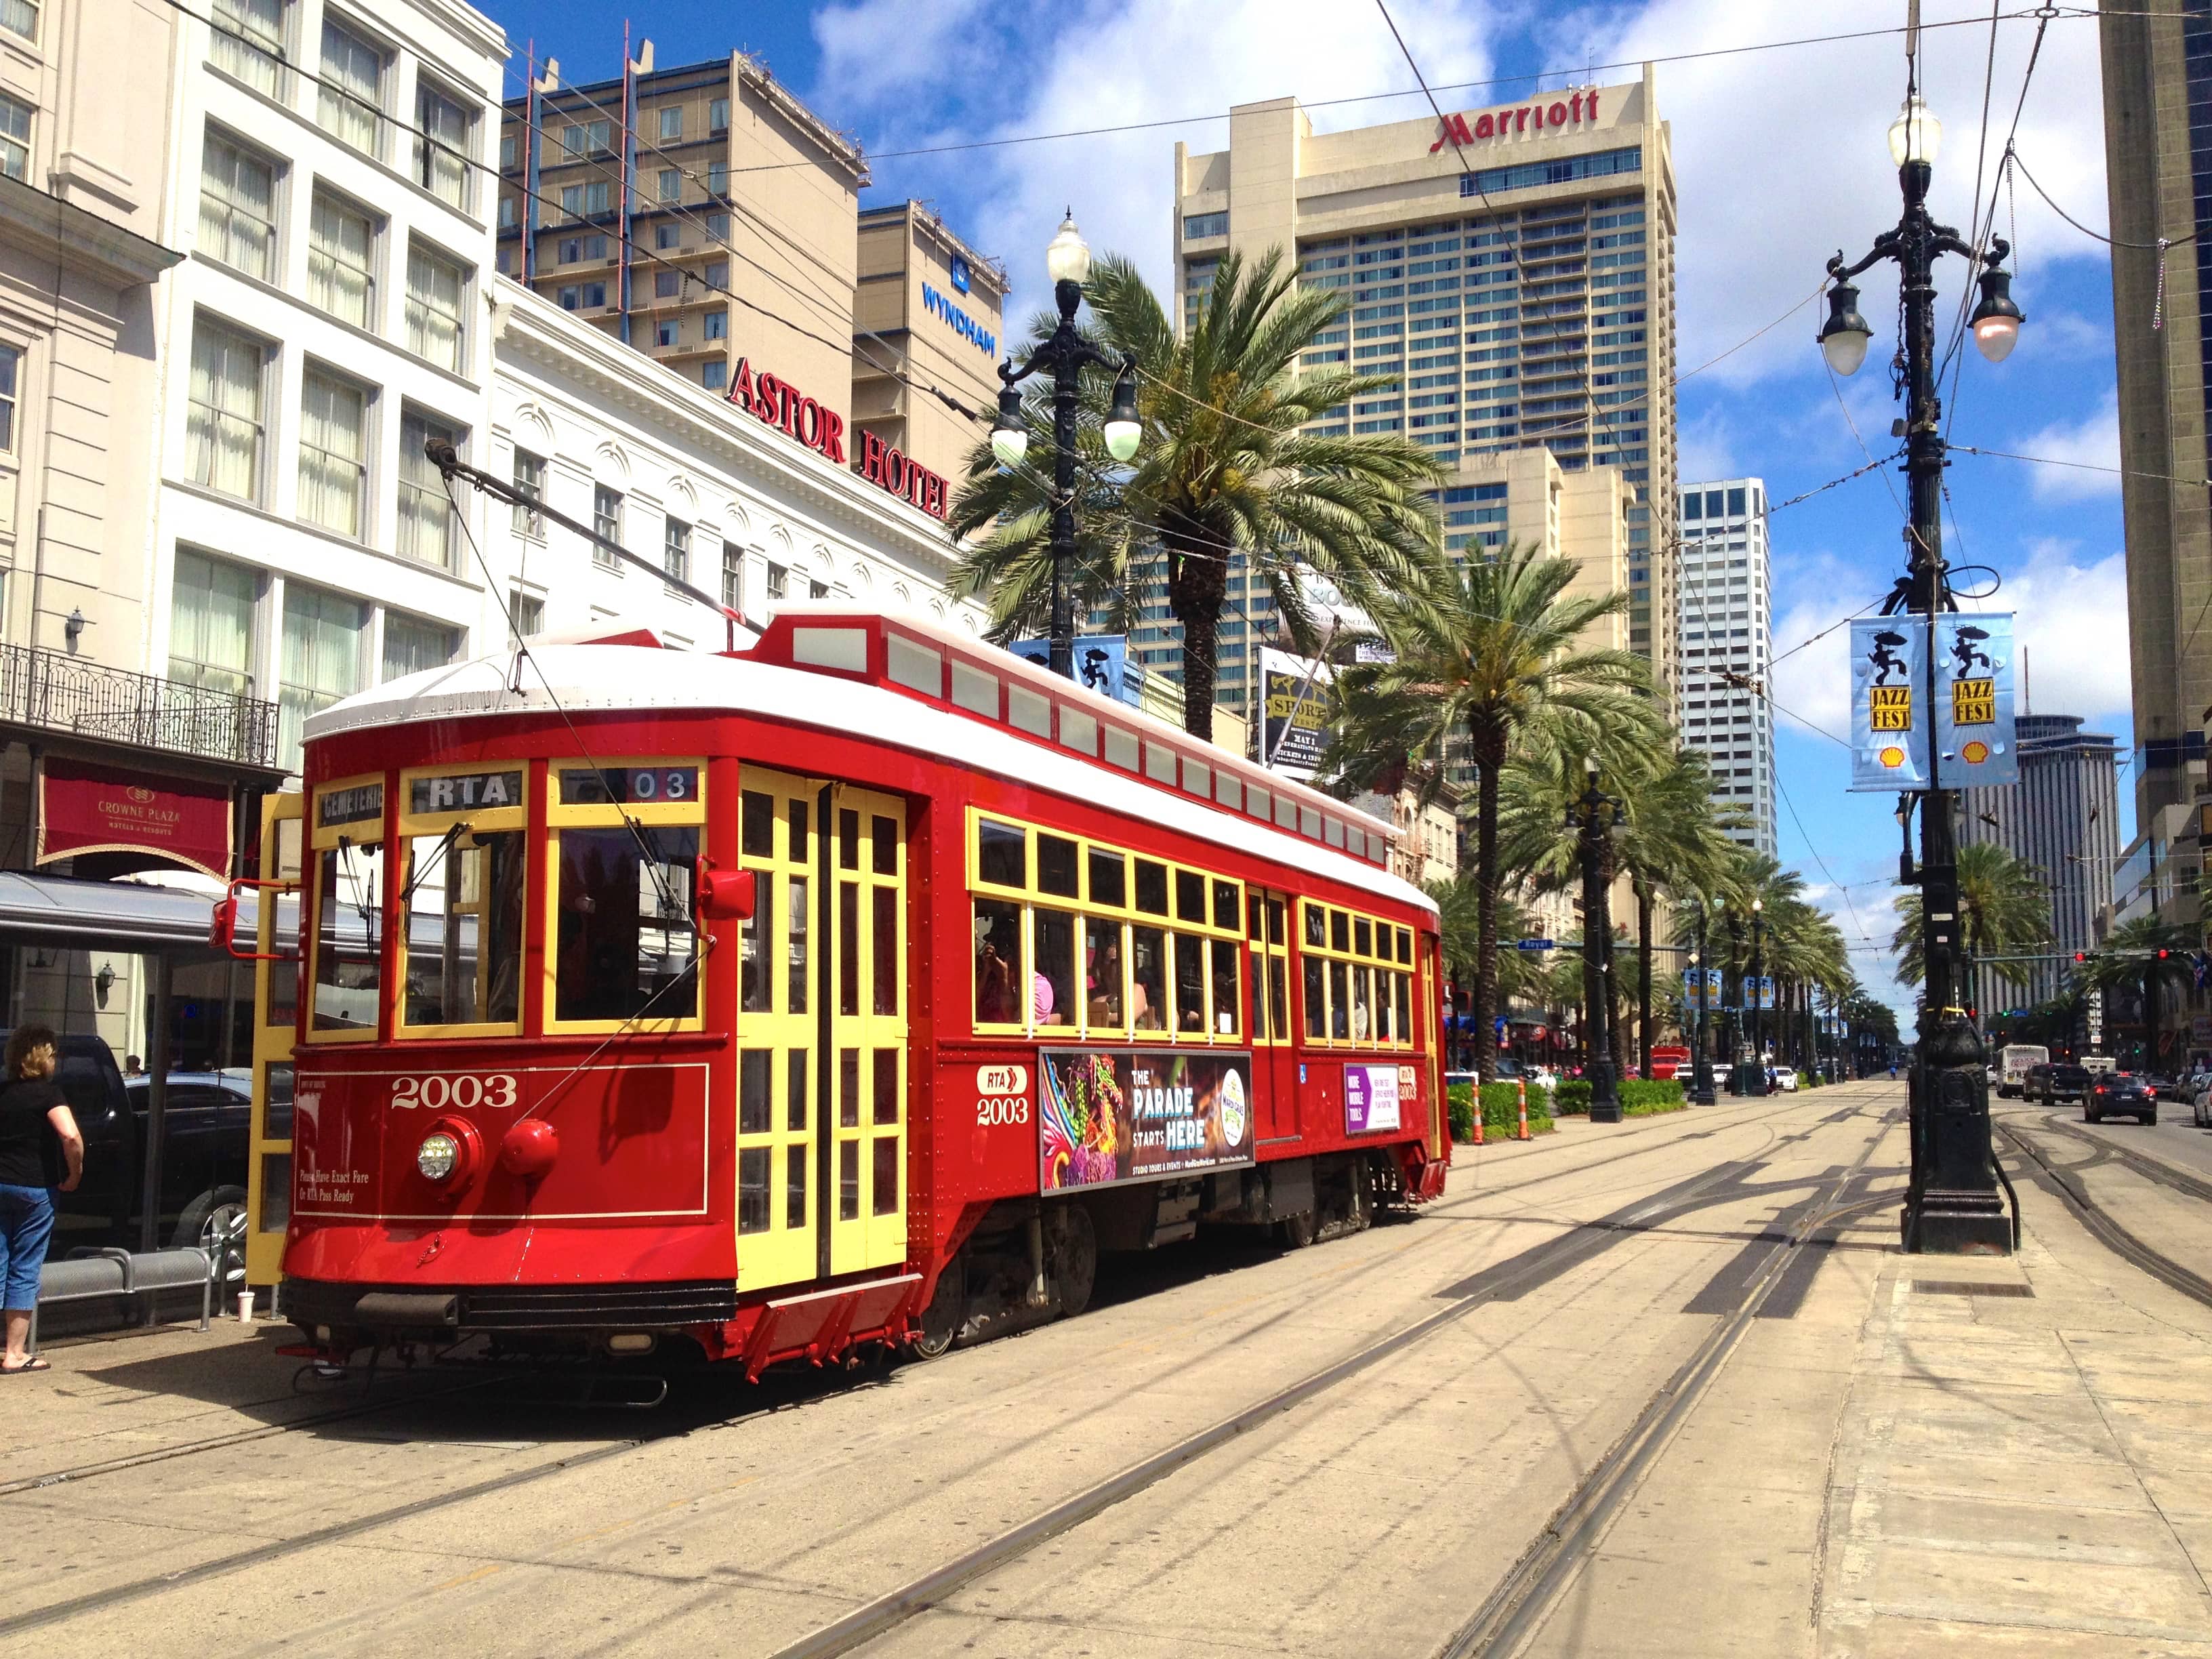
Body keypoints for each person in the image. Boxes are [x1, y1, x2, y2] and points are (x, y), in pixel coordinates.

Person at [0, 1023, 81, 1375]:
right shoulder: (49, 1095)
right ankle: (14, 1354)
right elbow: (70, 1135)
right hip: (36, 1190)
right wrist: (74, 1173)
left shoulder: (3, 1092)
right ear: (45, 1058)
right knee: (25, 1266)